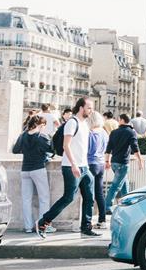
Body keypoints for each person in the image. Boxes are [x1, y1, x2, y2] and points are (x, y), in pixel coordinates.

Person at [36, 98, 99, 238]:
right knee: (68, 197)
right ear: (81, 108)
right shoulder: (72, 123)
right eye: (89, 108)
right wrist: (74, 164)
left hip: (84, 167)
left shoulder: (85, 124)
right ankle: (43, 222)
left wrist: (83, 165)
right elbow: (66, 145)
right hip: (71, 166)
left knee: (89, 197)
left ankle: (86, 227)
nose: (91, 110)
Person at [12, 114, 54, 234]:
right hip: (38, 169)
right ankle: (42, 226)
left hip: (25, 170)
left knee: (26, 199)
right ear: (41, 125)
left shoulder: (23, 135)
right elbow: (52, 150)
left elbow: (15, 150)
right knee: (44, 198)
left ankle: (28, 227)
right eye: (44, 126)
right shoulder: (42, 137)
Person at [104, 113, 144, 214]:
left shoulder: (114, 132)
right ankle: (106, 206)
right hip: (123, 163)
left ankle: (127, 205)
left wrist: (107, 161)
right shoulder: (131, 132)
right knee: (116, 185)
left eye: (119, 119)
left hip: (114, 162)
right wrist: (140, 160)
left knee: (124, 184)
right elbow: (135, 147)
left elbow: (108, 148)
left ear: (121, 120)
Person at [87, 112, 108, 229]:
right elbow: (106, 148)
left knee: (89, 194)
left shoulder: (90, 133)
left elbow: (88, 150)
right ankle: (102, 220)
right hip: (101, 164)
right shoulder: (104, 132)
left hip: (91, 163)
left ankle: (87, 221)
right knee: (99, 194)